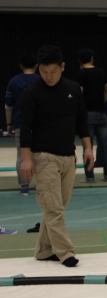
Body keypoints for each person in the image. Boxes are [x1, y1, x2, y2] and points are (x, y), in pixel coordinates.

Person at [19, 45, 94, 267]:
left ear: (62, 67)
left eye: (53, 71)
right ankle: (66, 252)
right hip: (43, 157)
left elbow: (81, 120)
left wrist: (88, 148)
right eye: (44, 72)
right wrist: (26, 159)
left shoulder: (73, 89)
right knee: (53, 208)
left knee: (57, 206)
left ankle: (44, 250)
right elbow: (25, 128)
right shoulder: (31, 93)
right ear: (38, 69)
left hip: (68, 157)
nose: (48, 76)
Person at [4, 52, 40, 195]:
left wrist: (9, 124)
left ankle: (24, 186)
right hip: (40, 124)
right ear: (36, 66)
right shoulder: (41, 80)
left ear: (21, 66)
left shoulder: (14, 81)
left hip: (21, 123)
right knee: (41, 154)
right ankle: (42, 184)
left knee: (21, 154)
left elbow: (9, 105)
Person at [76, 47, 107, 182]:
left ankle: (89, 176)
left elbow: (79, 93)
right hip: (102, 113)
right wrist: (101, 101)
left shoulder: (81, 74)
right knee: (105, 145)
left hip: (88, 114)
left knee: (88, 146)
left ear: (79, 60)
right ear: (92, 58)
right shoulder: (100, 72)